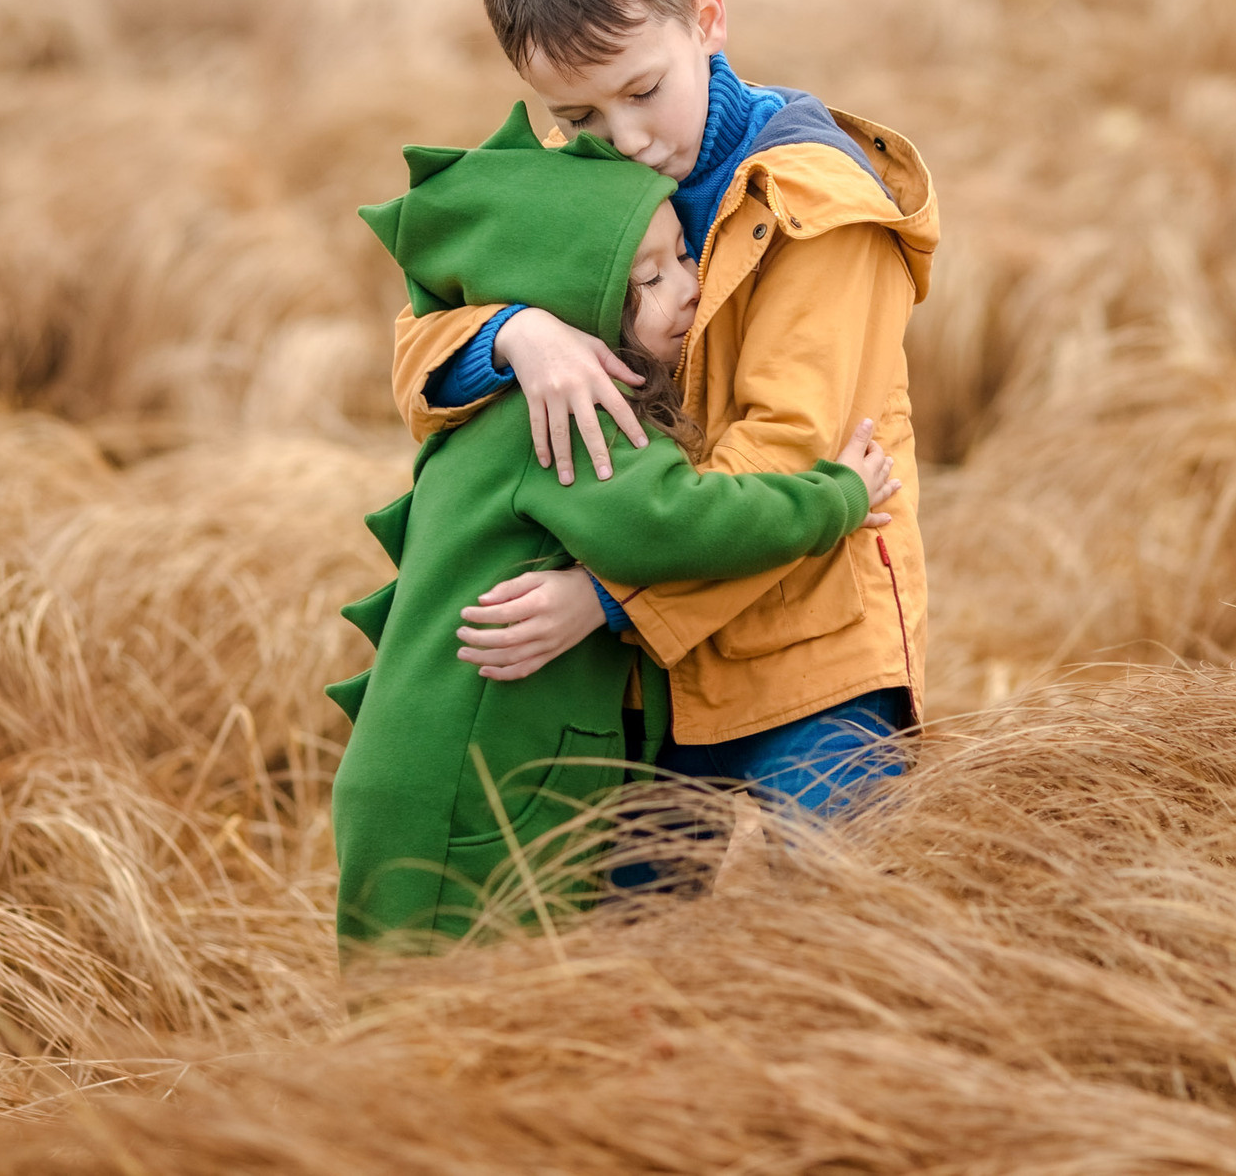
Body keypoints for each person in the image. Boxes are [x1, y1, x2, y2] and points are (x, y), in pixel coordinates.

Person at [395, 0, 939, 815]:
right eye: (582, 120)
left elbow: (790, 456)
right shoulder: (577, 194)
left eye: (644, 90)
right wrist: (512, 333)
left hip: (811, 659)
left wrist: (605, 597)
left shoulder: (820, 208)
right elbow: (418, 349)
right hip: (641, 683)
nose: (629, 140)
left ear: (708, 18)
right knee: (629, 955)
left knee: (839, 937)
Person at [329, 107, 899, 957]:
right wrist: (841, 498)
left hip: (445, 773)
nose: (691, 285)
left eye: (681, 257)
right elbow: (684, 521)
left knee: (437, 1014)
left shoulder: (520, 401)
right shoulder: (570, 416)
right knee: (467, 1019)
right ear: (580, 303)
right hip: (468, 792)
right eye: (649, 280)